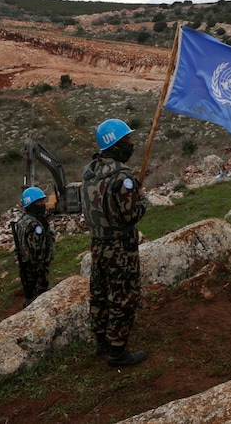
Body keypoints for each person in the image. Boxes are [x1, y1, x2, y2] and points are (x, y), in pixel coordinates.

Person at [81, 118, 148, 367]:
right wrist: (141, 199)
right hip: (121, 248)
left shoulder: (89, 172)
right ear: (116, 144)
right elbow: (130, 215)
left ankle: (101, 341)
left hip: (97, 244)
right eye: (127, 140)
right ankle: (117, 352)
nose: (131, 144)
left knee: (99, 293)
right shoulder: (123, 177)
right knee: (123, 296)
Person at [11, 186, 55, 308]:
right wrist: (40, 271)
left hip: (27, 268)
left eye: (42, 201)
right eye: (39, 202)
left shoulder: (23, 221)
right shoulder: (34, 224)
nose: (42, 204)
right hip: (35, 270)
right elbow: (36, 252)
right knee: (38, 301)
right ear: (31, 204)